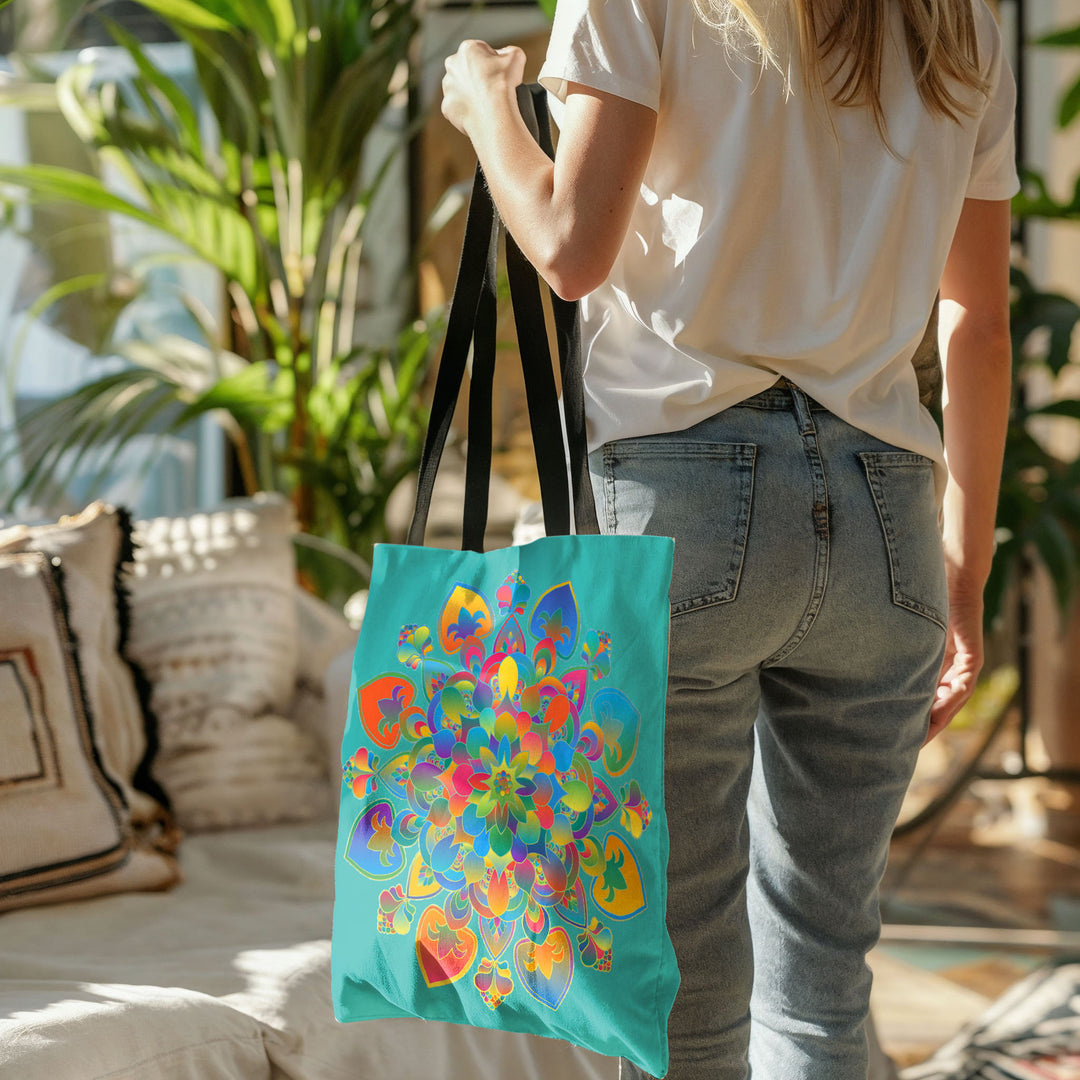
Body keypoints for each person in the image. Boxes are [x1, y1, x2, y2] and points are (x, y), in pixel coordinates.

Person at [440, 0, 1017, 1077]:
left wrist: (482, 105)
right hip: (886, 516)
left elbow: (570, 251)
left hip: (681, 506)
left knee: (678, 986)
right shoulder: (964, 17)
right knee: (821, 987)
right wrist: (964, 576)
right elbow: (975, 322)